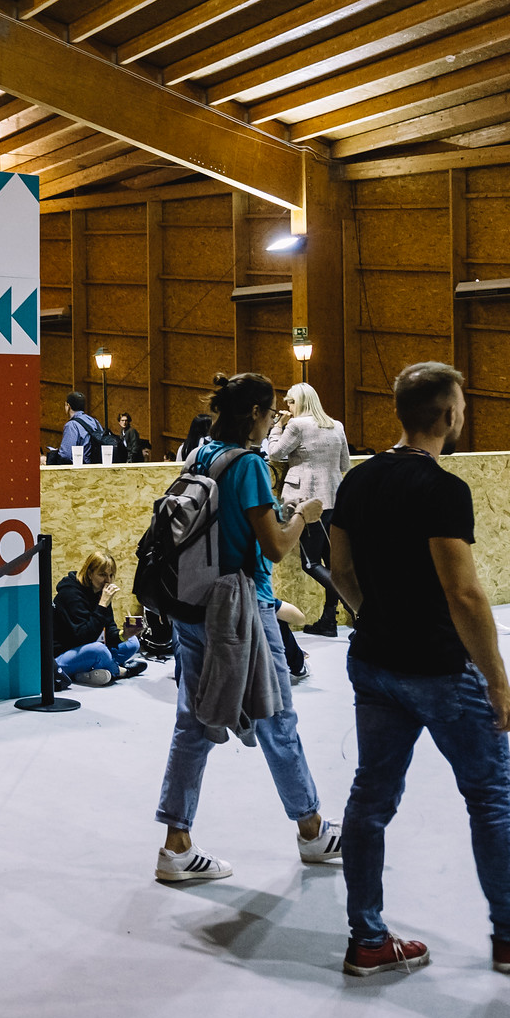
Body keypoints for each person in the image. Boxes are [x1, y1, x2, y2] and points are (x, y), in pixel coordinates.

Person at [326, 360, 510, 977]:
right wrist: (498, 683)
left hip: (373, 665)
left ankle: (367, 940)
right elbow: (464, 593)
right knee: (491, 796)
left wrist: (379, 617)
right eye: (463, 404)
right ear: (449, 415)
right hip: (441, 672)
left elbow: (340, 571)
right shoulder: (444, 490)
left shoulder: (358, 483)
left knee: (370, 799)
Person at [154, 372, 343, 884]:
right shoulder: (250, 466)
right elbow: (277, 546)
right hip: (242, 611)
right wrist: (303, 515)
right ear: (256, 414)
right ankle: (312, 829)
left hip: (191, 605)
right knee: (276, 715)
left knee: (192, 721)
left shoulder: (198, 455)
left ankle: (176, 844)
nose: (275, 421)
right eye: (271, 414)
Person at [264, 383, 353, 637]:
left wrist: (277, 428)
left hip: (307, 502)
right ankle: (328, 619)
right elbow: (345, 462)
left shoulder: (296, 426)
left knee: (311, 563)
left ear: (300, 402)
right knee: (329, 563)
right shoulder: (337, 425)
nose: (287, 406)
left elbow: (275, 453)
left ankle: (360, 609)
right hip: (335, 499)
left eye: (290, 401)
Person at [52, 553, 146, 685]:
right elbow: (83, 637)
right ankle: (121, 671)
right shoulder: (70, 594)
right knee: (99, 650)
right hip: (62, 656)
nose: (108, 580)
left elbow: (109, 629)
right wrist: (102, 605)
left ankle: (86, 673)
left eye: (111, 575)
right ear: (89, 574)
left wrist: (124, 634)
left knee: (132, 642)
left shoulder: (100, 592)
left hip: (88, 647)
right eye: (102, 575)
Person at [48, 390, 106, 465]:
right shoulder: (95, 421)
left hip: (81, 470)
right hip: (97, 467)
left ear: (68, 405)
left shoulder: (71, 425)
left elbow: (66, 455)